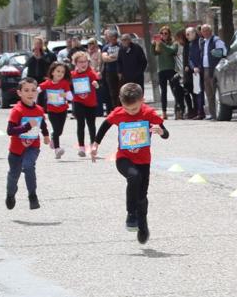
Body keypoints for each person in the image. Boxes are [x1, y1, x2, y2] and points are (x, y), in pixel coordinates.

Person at [92, 83, 167, 244]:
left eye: (134, 109)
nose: (131, 112)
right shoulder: (118, 114)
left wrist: (160, 131)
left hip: (144, 160)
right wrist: (95, 144)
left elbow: (165, 133)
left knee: (142, 196)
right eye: (127, 109)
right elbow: (105, 126)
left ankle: (143, 223)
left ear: (142, 100)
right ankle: (131, 214)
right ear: (121, 102)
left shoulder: (148, 113)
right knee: (133, 177)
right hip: (124, 158)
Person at [4, 78, 50, 211]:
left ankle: (33, 196)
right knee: (13, 176)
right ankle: (10, 194)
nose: (30, 93)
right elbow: (10, 130)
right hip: (16, 150)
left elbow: (42, 124)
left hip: (33, 146)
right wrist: (25, 127)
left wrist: (46, 135)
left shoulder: (39, 110)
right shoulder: (17, 110)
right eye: (26, 90)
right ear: (19, 93)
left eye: (33, 90)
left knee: (29, 166)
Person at [70, 50, 101, 157]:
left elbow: (98, 84)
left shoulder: (91, 73)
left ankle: (93, 144)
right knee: (80, 124)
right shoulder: (72, 75)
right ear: (75, 63)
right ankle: (81, 147)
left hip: (91, 103)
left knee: (91, 125)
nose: (83, 64)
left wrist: (96, 84)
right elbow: (68, 87)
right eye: (80, 62)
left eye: (85, 61)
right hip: (78, 102)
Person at [39, 61, 72, 159]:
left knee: (59, 131)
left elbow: (71, 97)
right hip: (52, 111)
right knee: (57, 129)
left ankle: (54, 137)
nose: (60, 74)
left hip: (62, 110)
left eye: (62, 72)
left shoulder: (64, 83)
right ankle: (57, 149)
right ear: (52, 72)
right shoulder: (48, 83)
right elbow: (38, 89)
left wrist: (66, 95)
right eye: (58, 71)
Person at [198, 25, 224, 122]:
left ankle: (219, 113)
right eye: (203, 31)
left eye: (206, 30)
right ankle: (213, 114)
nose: (205, 33)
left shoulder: (216, 40)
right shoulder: (203, 42)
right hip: (205, 69)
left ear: (211, 31)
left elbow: (222, 52)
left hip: (213, 69)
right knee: (209, 93)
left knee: (215, 91)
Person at [154, 26, 180, 118]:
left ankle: (178, 111)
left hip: (171, 69)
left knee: (175, 90)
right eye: (162, 33)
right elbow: (153, 52)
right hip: (161, 70)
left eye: (166, 33)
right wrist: (154, 43)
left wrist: (162, 44)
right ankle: (164, 113)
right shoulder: (158, 43)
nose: (163, 35)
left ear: (169, 34)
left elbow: (172, 51)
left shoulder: (174, 43)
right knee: (163, 92)